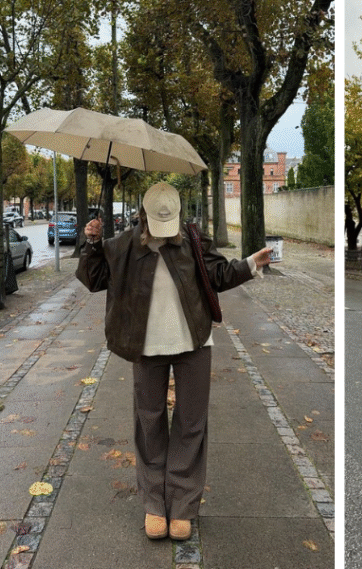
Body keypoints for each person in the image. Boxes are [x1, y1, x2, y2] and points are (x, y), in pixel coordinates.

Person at [77, 182, 273, 541]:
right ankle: (154, 503)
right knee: (149, 422)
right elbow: (93, 280)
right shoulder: (122, 245)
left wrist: (249, 265)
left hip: (194, 342)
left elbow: (218, 275)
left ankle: (182, 504)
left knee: (191, 422)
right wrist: (92, 244)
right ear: (143, 217)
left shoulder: (193, 240)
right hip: (144, 346)